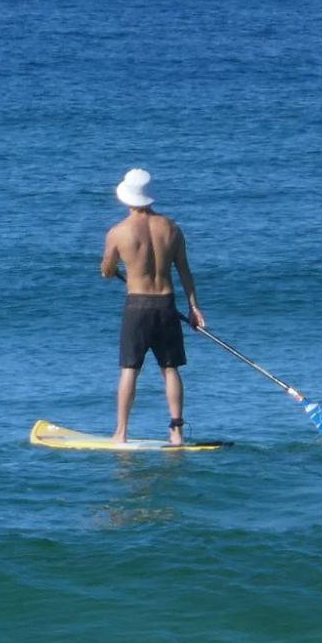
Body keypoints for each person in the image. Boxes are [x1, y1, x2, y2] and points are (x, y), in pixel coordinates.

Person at [100, 168, 207, 445]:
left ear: (127, 198)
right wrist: (194, 308)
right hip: (167, 304)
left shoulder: (118, 232)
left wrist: (109, 268)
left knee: (129, 369)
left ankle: (121, 432)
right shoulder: (171, 228)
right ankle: (177, 431)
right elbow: (185, 271)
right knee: (170, 369)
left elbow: (107, 270)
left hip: (137, 306)